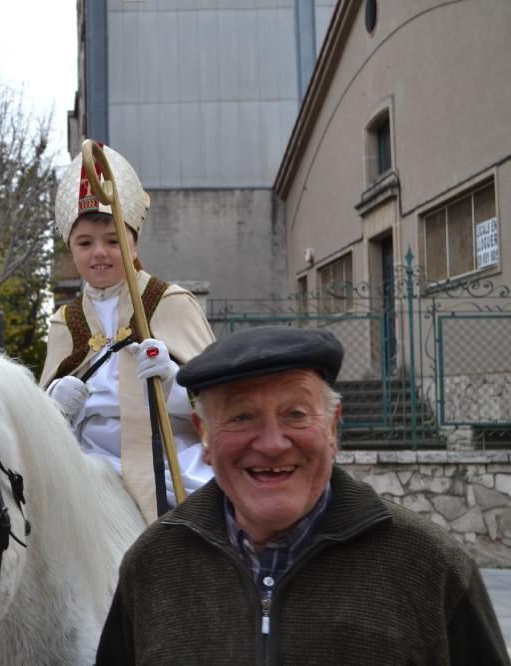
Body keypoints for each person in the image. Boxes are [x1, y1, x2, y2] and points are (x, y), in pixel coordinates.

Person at [95, 326, 510, 665]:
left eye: (295, 414)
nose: (273, 444)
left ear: (332, 427)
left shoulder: (428, 566)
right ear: (204, 435)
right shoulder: (153, 565)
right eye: (242, 417)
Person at [39, 143, 216, 523]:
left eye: (114, 240)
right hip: (89, 475)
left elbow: (220, 402)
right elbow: (43, 433)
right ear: (71, 247)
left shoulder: (168, 302)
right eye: (85, 243)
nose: (99, 253)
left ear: (134, 243)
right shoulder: (64, 322)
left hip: (171, 469)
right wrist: (55, 406)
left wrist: (174, 385)